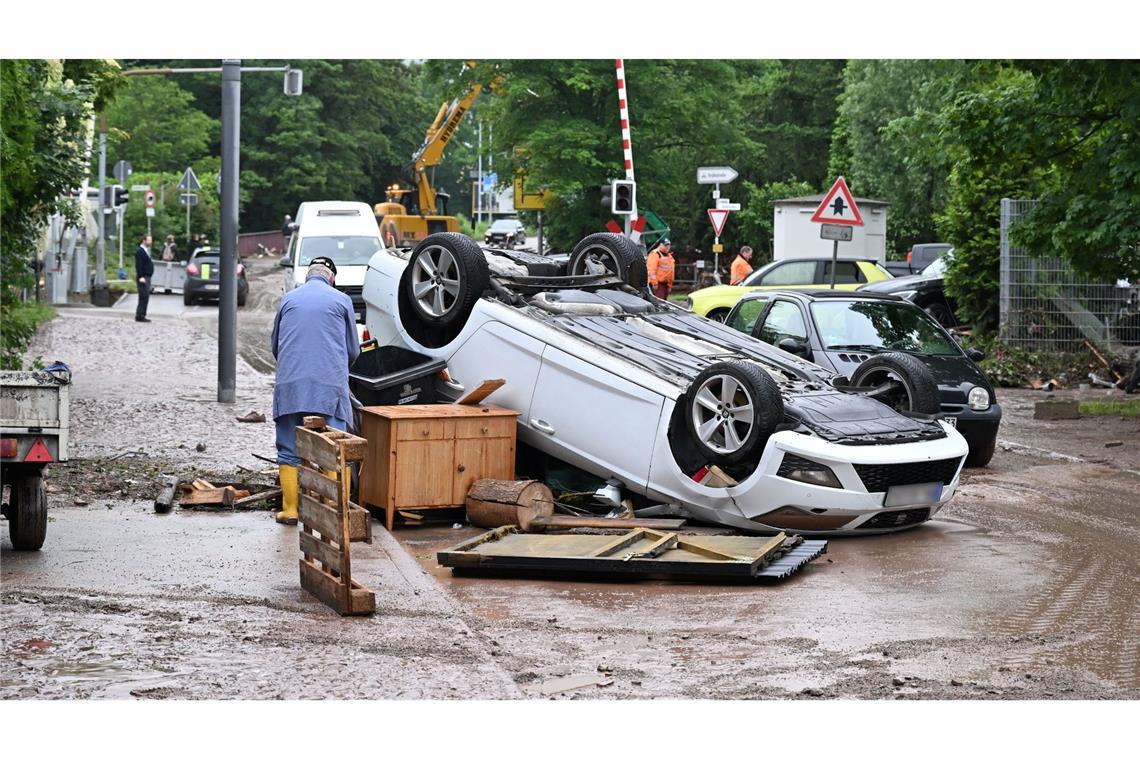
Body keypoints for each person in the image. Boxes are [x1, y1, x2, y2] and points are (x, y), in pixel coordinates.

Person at [270, 256, 360, 525]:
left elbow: (276, 346)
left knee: (288, 448)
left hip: (290, 387)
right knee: (334, 448)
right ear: (332, 278)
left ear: (308, 276)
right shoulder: (341, 300)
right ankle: (333, 509)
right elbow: (353, 350)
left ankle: (290, 510)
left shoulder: (287, 300)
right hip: (328, 388)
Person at [134, 234, 154, 322]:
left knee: (146, 296)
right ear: (144, 241)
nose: (150, 242)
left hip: (147, 276)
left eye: (151, 240)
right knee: (143, 296)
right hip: (143, 277)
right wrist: (141, 276)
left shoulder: (145, 250)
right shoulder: (140, 251)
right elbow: (139, 265)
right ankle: (140, 315)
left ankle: (142, 314)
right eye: (149, 240)